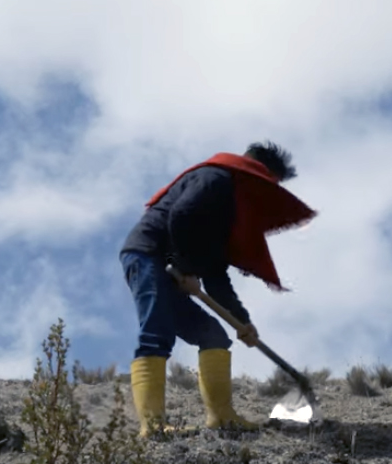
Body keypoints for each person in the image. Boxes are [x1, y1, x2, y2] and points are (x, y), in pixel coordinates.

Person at [118, 141, 316, 437]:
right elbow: (181, 216)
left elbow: (216, 274)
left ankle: (222, 417)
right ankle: (153, 426)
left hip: (172, 266)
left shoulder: (231, 211)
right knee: (157, 333)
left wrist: (243, 321)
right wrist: (184, 265)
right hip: (148, 254)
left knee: (214, 337)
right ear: (256, 172)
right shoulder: (217, 179)